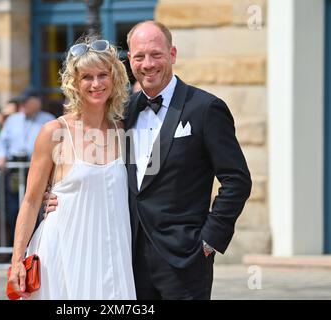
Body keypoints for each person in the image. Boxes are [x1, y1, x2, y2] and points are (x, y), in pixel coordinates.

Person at [46, 21, 252, 300]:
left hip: (185, 258)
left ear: (172, 54)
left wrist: (210, 240)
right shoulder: (122, 113)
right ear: (129, 60)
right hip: (127, 258)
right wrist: (57, 197)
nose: (148, 64)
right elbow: (98, 171)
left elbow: (237, 179)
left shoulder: (205, 108)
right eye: (140, 56)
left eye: (156, 54)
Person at [8, 36, 136, 299]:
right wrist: (17, 261)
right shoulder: (54, 132)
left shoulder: (123, 131)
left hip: (112, 254)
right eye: (87, 77)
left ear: (114, 79)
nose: (96, 83)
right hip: (64, 252)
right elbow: (31, 201)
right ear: (75, 83)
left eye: (103, 75)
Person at [0, 90, 55, 244]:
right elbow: (2, 141)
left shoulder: (48, 120)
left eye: (25, 101)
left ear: (37, 102)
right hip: (14, 169)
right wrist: (1, 156)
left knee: (36, 207)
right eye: (21, 102)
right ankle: (16, 245)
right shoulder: (13, 120)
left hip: (36, 168)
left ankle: (35, 243)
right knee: (14, 207)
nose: (22, 105)